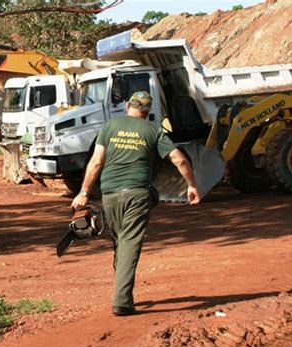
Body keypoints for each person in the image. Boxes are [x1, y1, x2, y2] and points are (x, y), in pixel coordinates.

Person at [71, 91, 200, 316]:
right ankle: (121, 301)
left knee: (121, 242)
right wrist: (192, 185)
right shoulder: (152, 130)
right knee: (129, 244)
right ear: (147, 111)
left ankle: (123, 294)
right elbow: (178, 158)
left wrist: (83, 192)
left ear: (128, 106)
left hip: (109, 195)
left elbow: (96, 162)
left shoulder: (110, 126)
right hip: (137, 194)